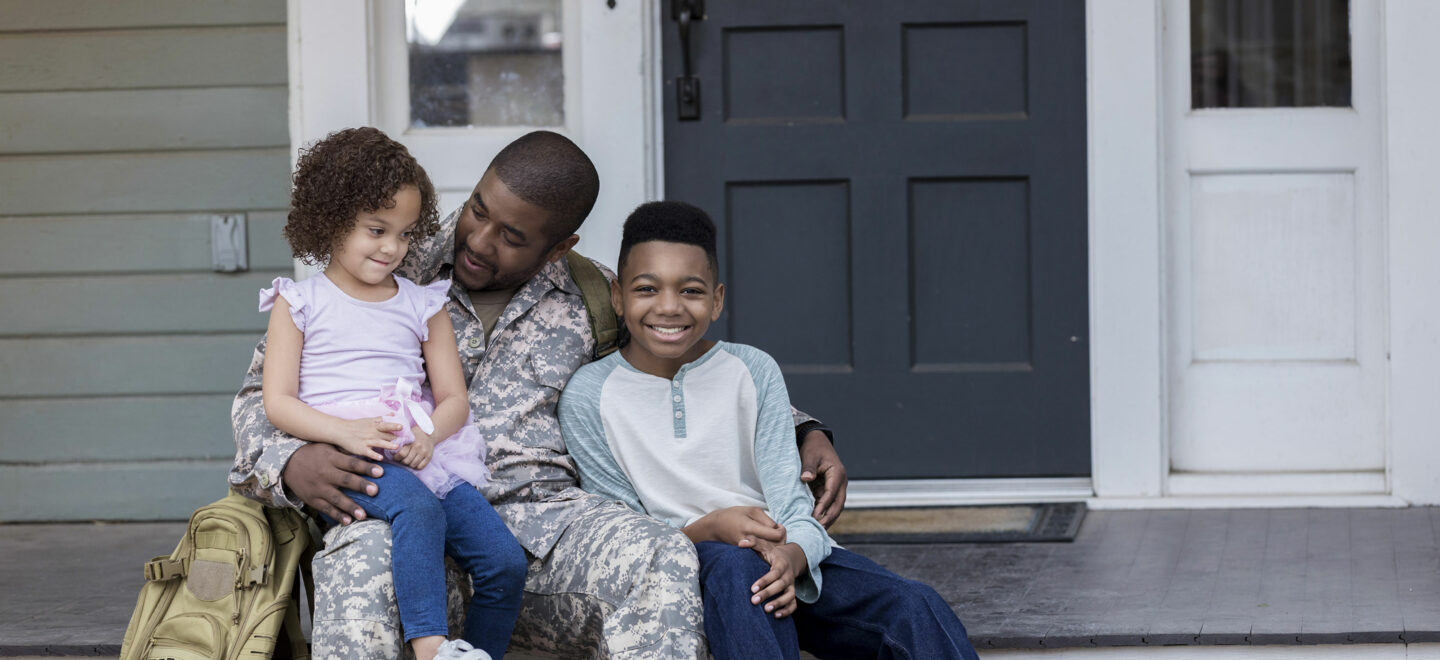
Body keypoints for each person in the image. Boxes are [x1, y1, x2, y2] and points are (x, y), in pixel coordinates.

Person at [229, 130, 851, 658]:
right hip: (405, 514)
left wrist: (803, 429)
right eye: (477, 209)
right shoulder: (389, 258)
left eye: (512, 237)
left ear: (560, 246)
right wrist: (292, 463)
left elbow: (688, 362)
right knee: (360, 565)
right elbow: (261, 398)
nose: (478, 240)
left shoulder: (594, 296)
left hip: (548, 528)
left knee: (662, 557)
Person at [560, 201, 980, 660]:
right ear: (618, 297)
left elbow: (791, 501)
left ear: (717, 299)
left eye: (691, 291)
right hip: (682, 568)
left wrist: (795, 555)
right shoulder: (589, 395)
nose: (669, 307)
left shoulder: (752, 369)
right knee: (741, 573)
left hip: (784, 556)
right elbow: (621, 533)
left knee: (914, 605)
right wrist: (711, 528)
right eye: (647, 289)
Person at [256, 127, 523, 660]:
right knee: (419, 512)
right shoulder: (300, 303)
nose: (392, 248)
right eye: (377, 230)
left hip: (424, 457)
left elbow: (453, 400)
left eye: (404, 234)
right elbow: (278, 402)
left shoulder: (422, 303)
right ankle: (429, 647)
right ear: (331, 220)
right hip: (351, 462)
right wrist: (341, 433)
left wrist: (428, 434)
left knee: (504, 563)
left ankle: (474, 654)